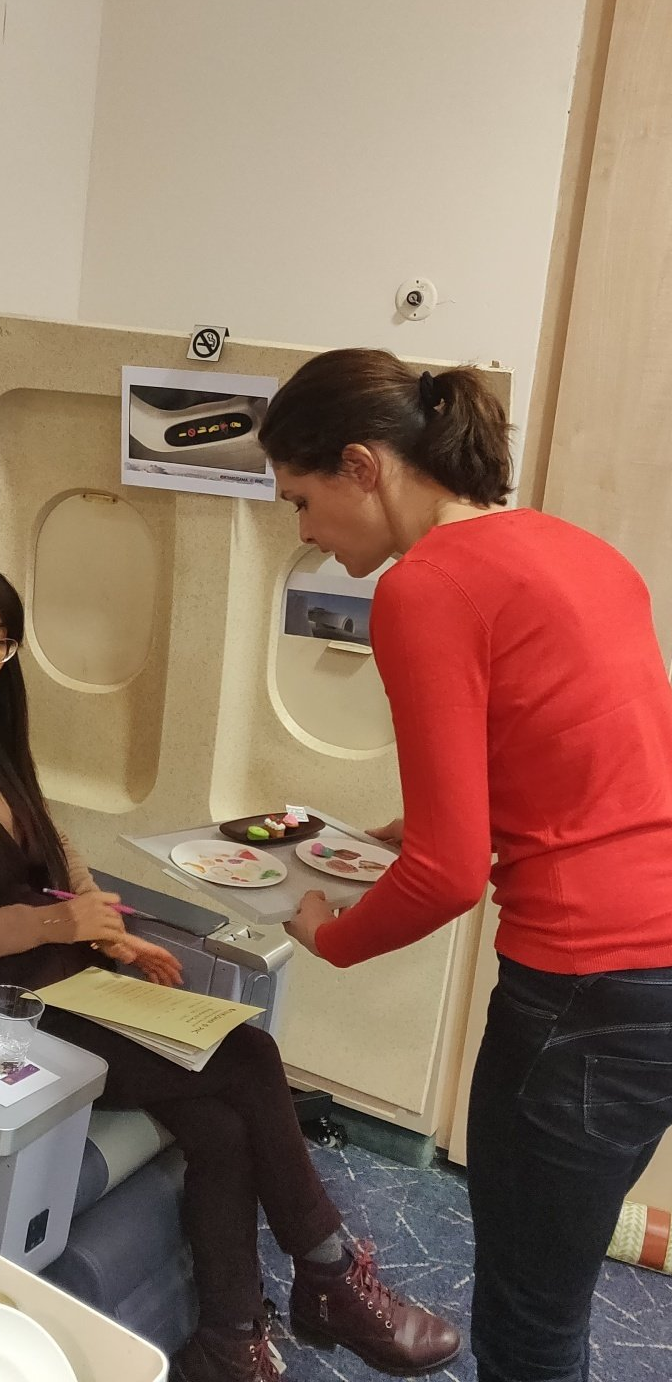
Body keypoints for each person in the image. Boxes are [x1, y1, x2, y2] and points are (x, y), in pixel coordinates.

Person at [0, 554, 459, 1382]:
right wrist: (58, 921)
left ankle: (229, 1343)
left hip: (61, 977)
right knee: (249, 1056)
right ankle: (329, 1273)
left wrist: (108, 926)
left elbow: (52, 843)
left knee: (222, 1123)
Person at [259, 347, 672, 1382]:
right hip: (657, 965)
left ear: (362, 466)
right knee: (560, 1277)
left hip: (588, 990)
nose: (303, 533)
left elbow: (445, 879)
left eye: (301, 500)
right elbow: (589, 762)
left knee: (530, 1323)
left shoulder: (425, 587)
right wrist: (444, 818)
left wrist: (328, 937)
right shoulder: (574, 547)